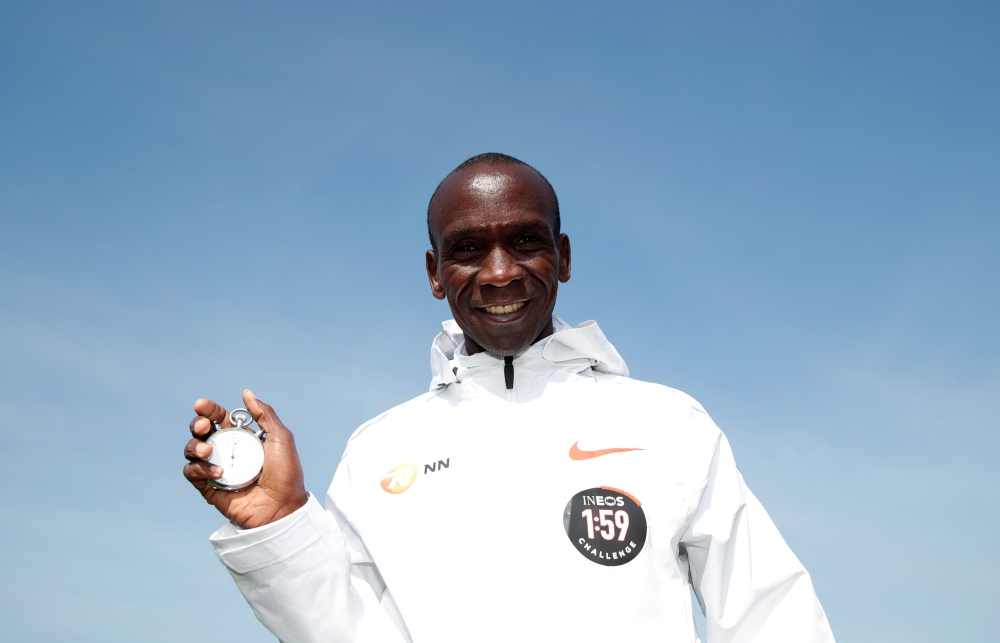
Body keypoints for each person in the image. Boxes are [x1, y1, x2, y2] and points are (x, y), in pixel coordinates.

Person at [183, 153, 836, 643]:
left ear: (564, 255)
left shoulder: (668, 424)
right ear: (436, 274)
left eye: (525, 240)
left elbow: (770, 615)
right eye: (467, 249)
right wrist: (281, 520)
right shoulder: (379, 450)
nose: (499, 272)